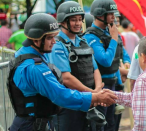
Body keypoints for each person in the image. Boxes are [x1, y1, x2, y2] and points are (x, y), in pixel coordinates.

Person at [7, 13, 117, 131]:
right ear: (36, 39)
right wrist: (94, 97)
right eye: (49, 38)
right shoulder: (35, 67)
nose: (54, 41)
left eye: (54, 36)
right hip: (31, 125)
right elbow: (60, 94)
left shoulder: (25, 53)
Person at [46, 1, 105, 131]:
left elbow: (95, 69)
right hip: (70, 105)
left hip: (89, 102)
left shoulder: (82, 41)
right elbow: (66, 78)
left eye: (80, 19)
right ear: (62, 21)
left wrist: (97, 90)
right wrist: (93, 94)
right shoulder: (58, 45)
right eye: (73, 20)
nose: (78, 23)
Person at [83, 0, 126, 130]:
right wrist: (113, 38)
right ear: (100, 15)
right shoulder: (91, 36)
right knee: (102, 124)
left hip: (114, 84)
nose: (114, 17)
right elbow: (105, 60)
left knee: (112, 123)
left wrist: (119, 84)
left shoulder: (110, 32)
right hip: (101, 86)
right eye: (110, 14)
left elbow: (117, 57)